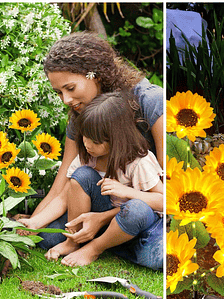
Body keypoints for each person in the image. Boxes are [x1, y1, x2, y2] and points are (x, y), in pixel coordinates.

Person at [17, 31, 164, 259]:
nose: (66, 100)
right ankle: (108, 240)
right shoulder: (81, 113)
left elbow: (168, 191)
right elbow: (64, 183)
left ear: (94, 75)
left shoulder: (150, 100)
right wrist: (31, 227)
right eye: (59, 92)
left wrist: (101, 219)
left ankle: (107, 241)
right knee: (47, 237)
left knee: (156, 251)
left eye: (70, 88)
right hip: (102, 202)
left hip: (145, 208)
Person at [48, 91, 163, 268]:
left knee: (138, 213)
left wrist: (127, 192)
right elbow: (66, 195)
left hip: (137, 226)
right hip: (100, 221)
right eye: (85, 136)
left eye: (95, 141)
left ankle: (95, 248)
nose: (87, 144)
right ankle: (74, 242)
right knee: (46, 238)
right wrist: (32, 223)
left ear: (117, 138)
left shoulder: (139, 161)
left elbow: (165, 201)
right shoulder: (87, 157)